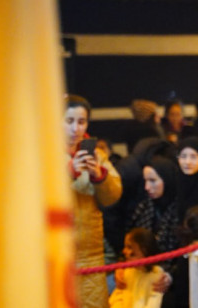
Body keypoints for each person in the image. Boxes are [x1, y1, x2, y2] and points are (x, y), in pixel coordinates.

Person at [65, 94, 123, 308]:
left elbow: (113, 196)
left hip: (91, 253)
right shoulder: (45, 154)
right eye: (69, 121)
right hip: (57, 252)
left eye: (81, 122)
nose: (76, 129)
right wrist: (69, 171)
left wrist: (99, 176)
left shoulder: (97, 155)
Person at [110, 227, 165, 308]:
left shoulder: (156, 274)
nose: (124, 251)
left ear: (144, 250)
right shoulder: (126, 271)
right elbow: (117, 296)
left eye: (129, 247)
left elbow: (154, 302)